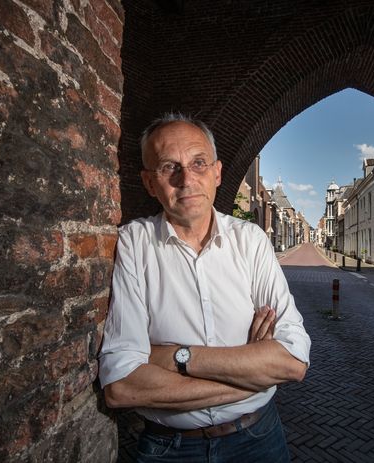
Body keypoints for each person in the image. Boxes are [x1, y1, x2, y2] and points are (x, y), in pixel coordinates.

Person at [98, 113, 311, 462]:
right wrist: (252, 376)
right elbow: (123, 386)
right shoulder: (133, 244)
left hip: (258, 437)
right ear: (150, 183)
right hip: (170, 449)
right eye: (170, 167)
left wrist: (173, 357)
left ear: (217, 173)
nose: (187, 179)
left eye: (199, 163)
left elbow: (292, 360)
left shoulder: (251, 241)